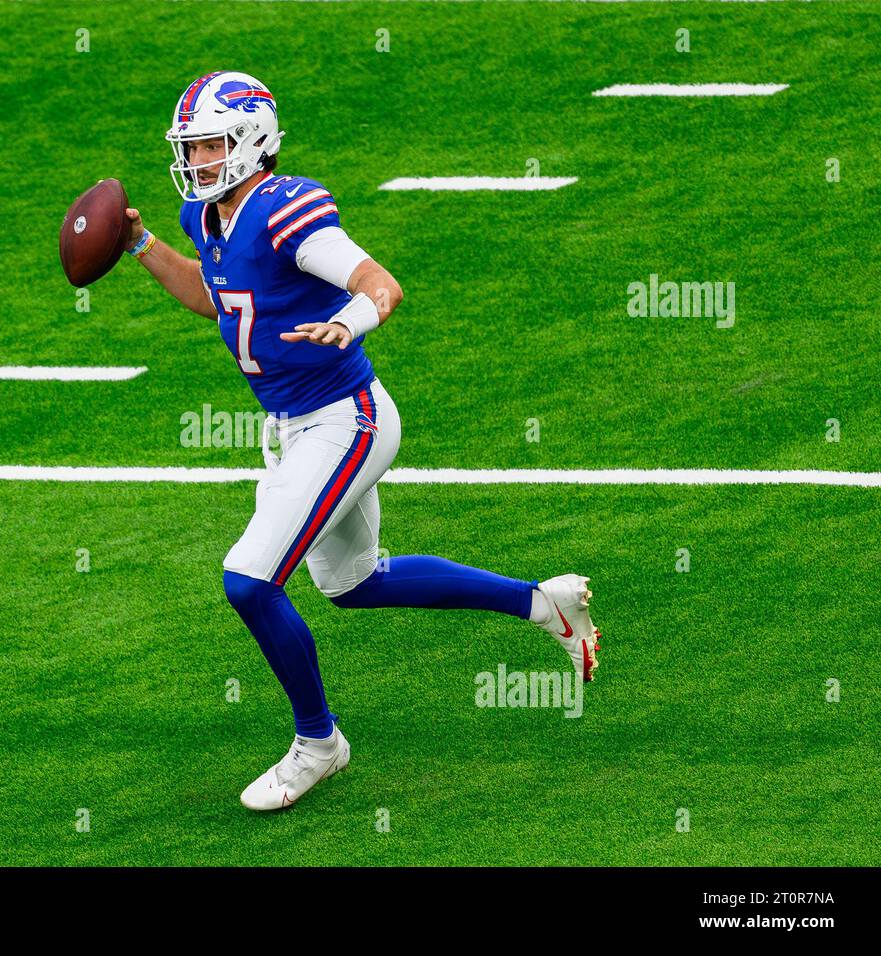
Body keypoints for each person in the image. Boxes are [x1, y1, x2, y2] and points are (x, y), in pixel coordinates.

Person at [124, 71, 601, 811]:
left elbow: (379, 282)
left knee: (248, 581)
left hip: (345, 420)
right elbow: (213, 298)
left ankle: (319, 743)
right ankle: (543, 605)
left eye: (212, 144)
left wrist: (351, 321)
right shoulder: (206, 217)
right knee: (355, 585)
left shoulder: (286, 209)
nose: (199, 160)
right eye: (193, 146)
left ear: (253, 140)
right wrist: (142, 243)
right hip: (292, 428)